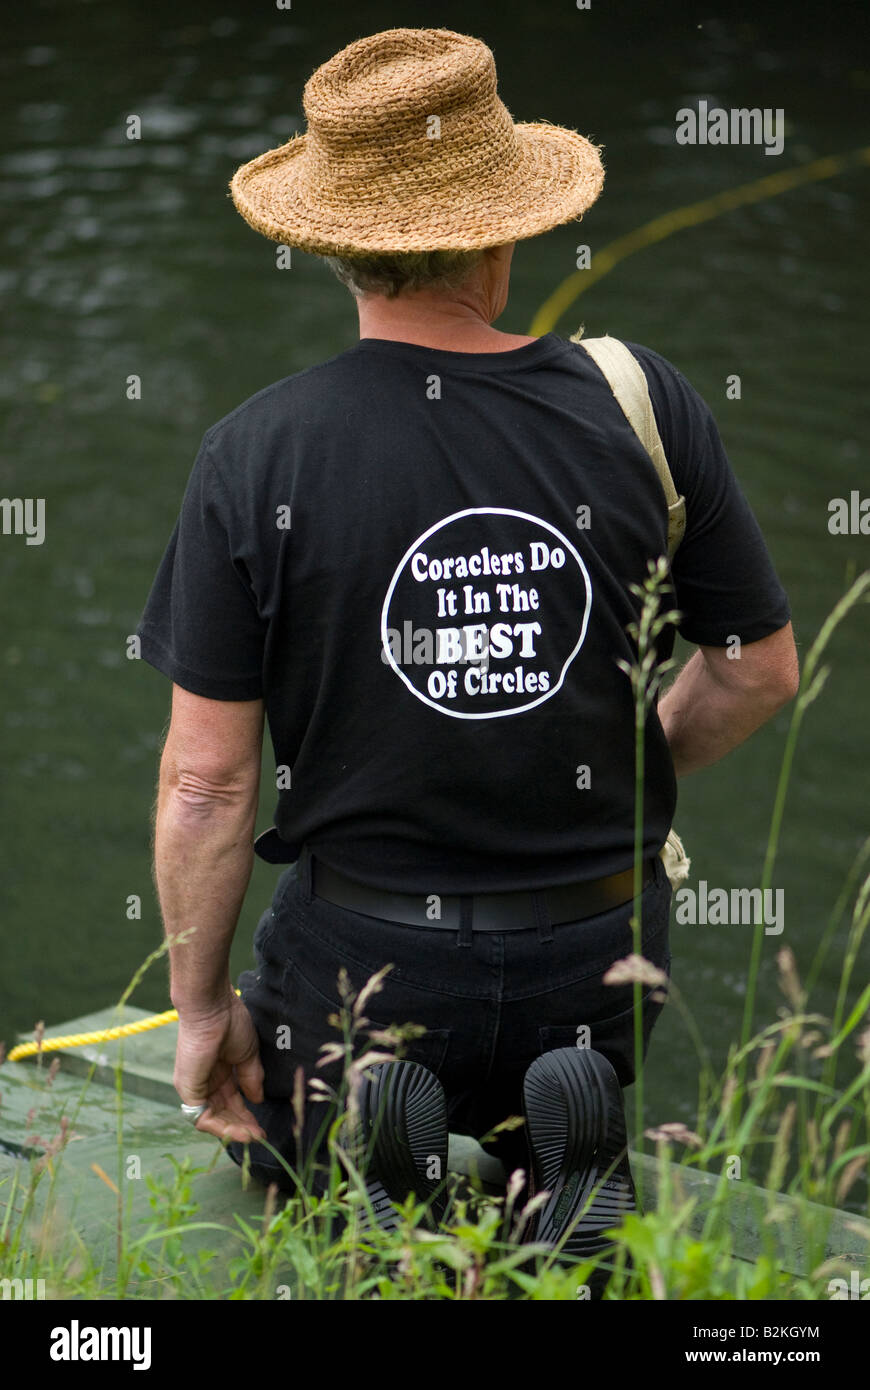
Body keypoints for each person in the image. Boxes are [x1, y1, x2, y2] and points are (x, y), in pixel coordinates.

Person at [137, 27, 799, 1266]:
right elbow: (759, 668)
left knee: (270, 1149)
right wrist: (630, 775)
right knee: (561, 1132)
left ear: (337, 246)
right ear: (508, 232)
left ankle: (371, 1126)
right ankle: (560, 1152)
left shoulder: (255, 453)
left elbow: (206, 781)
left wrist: (200, 1010)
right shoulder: (639, 403)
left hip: (365, 967)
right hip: (596, 952)